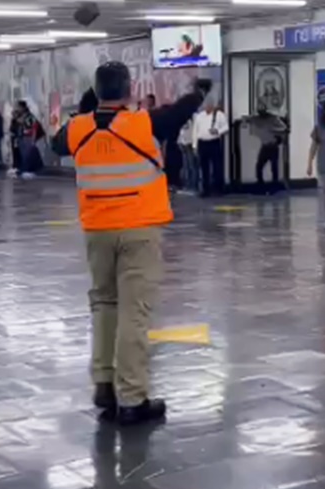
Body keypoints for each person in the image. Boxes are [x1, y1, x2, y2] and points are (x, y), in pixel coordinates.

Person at [51, 63, 209, 425]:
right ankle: (133, 397)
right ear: (130, 88)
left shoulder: (77, 128)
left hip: (97, 230)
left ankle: (104, 385)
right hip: (138, 228)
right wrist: (199, 91)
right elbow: (180, 110)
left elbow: (56, 142)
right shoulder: (143, 123)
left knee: (104, 305)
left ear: (96, 91)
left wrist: (91, 104)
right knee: (134, 313)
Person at [245, 104, 287, 194]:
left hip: (273, 145)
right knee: (259, 166)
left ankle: (274, 186)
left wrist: (275, 132)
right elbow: (247, 119)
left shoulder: (273, 118)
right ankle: (260, 185)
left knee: (274, 167)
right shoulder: (257, 119)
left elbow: (284, 128)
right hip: (265, 146)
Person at [193, 102, 227, 196]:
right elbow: (195, 131)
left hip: (214, 142)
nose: (207, 107)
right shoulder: (199, 116)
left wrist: (218, 131)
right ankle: (205, 189)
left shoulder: (219, 115)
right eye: (205, 106)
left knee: (217, 166)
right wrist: (195, 146)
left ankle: (218, 189)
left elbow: (226, 127)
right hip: (202, 142)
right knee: (204, 167)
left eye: (209, 105)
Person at [15, 100, 45, 178]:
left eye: (18, 107)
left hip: (29, 137)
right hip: (24, 137)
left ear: (22, 107)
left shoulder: (29, 117)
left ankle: (28, 169)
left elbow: (34, 127)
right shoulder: (22, 116)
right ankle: (27, 169)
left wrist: (33, 139)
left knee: (28, 154)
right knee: (25, 154)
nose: (17, 108)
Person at [178, 119, 198, 194]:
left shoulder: (192, 122)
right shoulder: (184, 124)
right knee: (186, 167)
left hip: (190, 145)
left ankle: (193, 187)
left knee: (191, 167)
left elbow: (193, 134)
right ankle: (187, 186)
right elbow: (181, 134)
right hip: (184, 146)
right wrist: (179, 142)